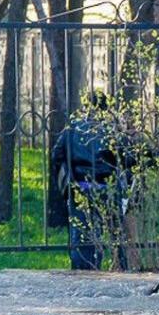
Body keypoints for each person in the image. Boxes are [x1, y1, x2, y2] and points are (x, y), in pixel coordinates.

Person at [51, 91, 134, 270]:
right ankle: (120, 267)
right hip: (109, 188)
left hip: (80, 186)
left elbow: (56, 155)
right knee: (116, 233)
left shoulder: (73, 127)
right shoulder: (113, 129)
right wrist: (125, 183)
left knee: (82, 234)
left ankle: (84, 271)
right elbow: (128, 158)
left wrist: (66, 183)